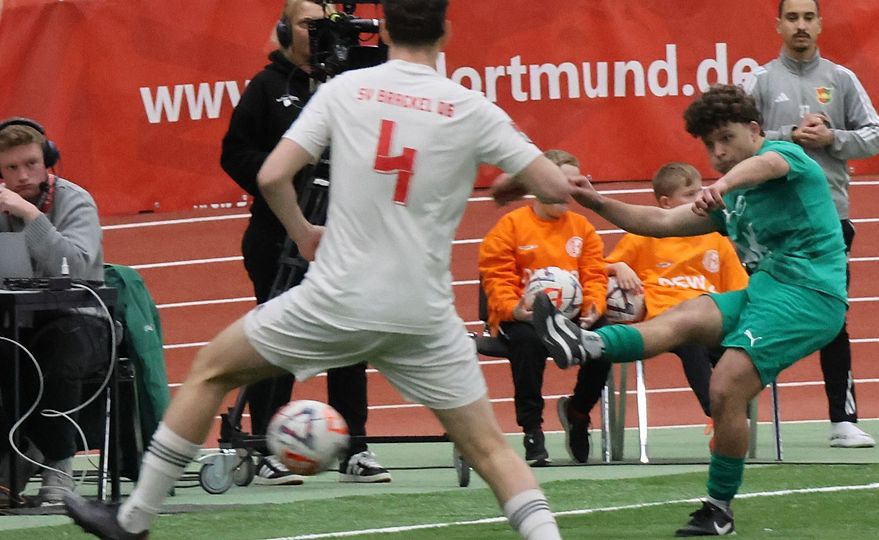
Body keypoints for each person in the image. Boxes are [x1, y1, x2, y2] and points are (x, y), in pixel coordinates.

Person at [64, 1, 570, 538]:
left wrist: (304, 232)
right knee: (490, 449)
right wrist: (510, 181)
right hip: (421, 313)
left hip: (338, 298)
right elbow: (555, 186)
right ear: (445, 31)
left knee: (211, 371)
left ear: (384, 28)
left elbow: (272, 176)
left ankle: (134, 520)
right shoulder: (471, 107)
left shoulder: (344, 89)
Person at [532, 84, 848, 536]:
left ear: (754, 129)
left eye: (727, 139)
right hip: (766, 292)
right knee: (685, 317)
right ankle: (585, 345)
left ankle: (719, 509)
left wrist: (724, 183)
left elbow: (765, 165)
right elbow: (661, 222)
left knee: (725, 386)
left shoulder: (784, 156)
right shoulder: (731, 198)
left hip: (811, 296)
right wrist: (597, 202)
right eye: (710, 144)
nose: (719, 152)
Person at [220, 0, 389, 485]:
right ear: (284, 30)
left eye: (325, 25)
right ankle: (269, 447)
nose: (319, 34)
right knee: (278, 337)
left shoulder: (354, 83)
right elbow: (235, 154)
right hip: (278, 234)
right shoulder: (267, 87)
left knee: (350, 336)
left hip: (346, 232)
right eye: (307, 25)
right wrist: (288, 176)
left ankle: (354, 447)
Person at [744, 0, 879, 448]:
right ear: (778, 25)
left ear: (820, 24)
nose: (801, 25)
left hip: (830, 221)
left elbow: (877, 135)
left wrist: (832, 138)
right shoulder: (758, 81)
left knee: (833, 318)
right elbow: (739, 140)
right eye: (792, 18)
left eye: (808, 17)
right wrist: (790, 136)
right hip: (772, 223)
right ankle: (735, 415)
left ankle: (843, 420)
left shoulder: (842, 79)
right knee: (758, 313)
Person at [0, 118, 108, 505]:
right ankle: (15, 453)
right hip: (17, 321)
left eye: (31, 164)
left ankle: (59, 463)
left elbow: (75, 267)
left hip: (82, 320)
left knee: (58, 357)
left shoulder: (76, 201)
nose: (22, 176)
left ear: (47, 161)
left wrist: (31, 217)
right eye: (11, 168)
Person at [479, 149, 609, 465]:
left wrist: (594, 306)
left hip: (571, 316)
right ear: (540, 184)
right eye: (560, 182)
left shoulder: (582, 228)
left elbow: (595, 274)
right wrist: (513, 309)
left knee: (606, 339)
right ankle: (532, 429)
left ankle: (578, 411)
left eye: (573, 184)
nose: (566, 191)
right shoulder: (511, 226)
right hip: (522, 316)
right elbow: (496, 277)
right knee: (528, 342)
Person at [605, 162, 748, 420]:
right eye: (690, 194)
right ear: (666, 203)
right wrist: (618, 266)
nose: (700, 198)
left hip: (710, 318)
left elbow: (739, 289)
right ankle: (716, 412)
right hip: (666, 321)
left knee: (738, 347)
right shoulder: (644, 236)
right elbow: (597, 268)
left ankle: (733, 413)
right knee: (692, 340)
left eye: (700, 191)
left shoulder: (716, 239)